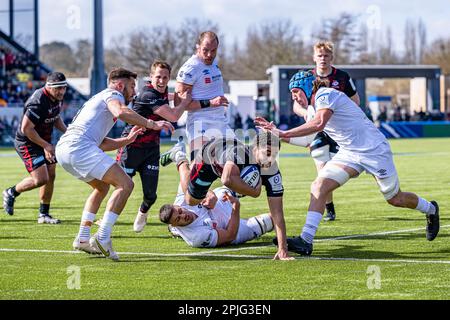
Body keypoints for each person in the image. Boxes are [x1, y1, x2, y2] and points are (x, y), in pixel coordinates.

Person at [255, 71, 440, 256]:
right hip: (349, 153)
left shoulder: (325, 94)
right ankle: (306, 240)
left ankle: (431, 209)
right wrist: (276, 133)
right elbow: (307, 140)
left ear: (307, 86)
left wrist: (284, 133)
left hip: (374, 150)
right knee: (319, 186)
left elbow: (319, 124)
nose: (294, 97)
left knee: (395, 199)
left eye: (296, 91)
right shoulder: (313, 108)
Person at [55, 68, 174, 260]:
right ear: (120, 85)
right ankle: (102, 237)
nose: (134, 92)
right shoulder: (113, 94)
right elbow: (121, 111)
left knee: (101, 188)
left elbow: (101, 143)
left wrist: (127, 140)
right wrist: (152, 124)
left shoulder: (98, 99)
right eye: (132, 86)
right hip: (78, 147)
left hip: (64, 150)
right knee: (126, 184)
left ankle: (83, 238)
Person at [161, 131, 293, 260]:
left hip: (229, 170)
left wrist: (282, 249)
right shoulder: (240, 154)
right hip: (209, 158)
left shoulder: (272, 171)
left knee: (245, 191)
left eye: (275, 155)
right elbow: (227, 179)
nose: (270, 159)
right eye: (268, 153)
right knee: (191, 200)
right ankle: (179, 157)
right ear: (255, 148)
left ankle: (181, 226)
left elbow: (277, 212)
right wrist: (255, 192)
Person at [288, 41, 361, 222]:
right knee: (322, 170)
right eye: (319, 56)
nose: (323, 59)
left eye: (326, 56)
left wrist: (338, 113)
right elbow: (296, 106)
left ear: (332, 57)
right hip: (317, 130)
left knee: (346, 168)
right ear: (314, 57)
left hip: (340, 131)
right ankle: (329, 209)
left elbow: (356, 101)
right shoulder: (306, 78)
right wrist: (307, 114)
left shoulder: (343, 77)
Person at [116, 60, 191, 233]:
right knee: (121, 189)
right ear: (151, 77)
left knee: (151, 195)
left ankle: (142, 213)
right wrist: (185, 102)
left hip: (151, 150)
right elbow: (173, 116)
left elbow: (171, 97)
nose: (162, 80)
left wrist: (192, 97)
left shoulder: (163, 93)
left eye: (165, 77)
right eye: (158, 77)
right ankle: (105, 222)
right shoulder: (148, 94)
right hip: (131, 147)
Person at [3, 72, 68, 223]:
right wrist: (46, 145)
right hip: (27, 142)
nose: (62, 91)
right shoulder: (38, 102)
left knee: (51, 174)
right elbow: (27, 129)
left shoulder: (56, 97)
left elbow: (55, 116)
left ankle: (44, 214)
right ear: (49, 87)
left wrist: (68, 131)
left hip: (43, 140)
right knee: (41, 179)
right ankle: (11, 192)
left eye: (63, 87)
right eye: (58, 88)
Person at [172, 31, 233, 163]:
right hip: (200, 124)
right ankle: (179, 158)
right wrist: (211, 102)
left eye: (213, 50)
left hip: (221, 122)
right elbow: (179, 104)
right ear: (197, 47)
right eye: (205, 50)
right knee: (199, 171)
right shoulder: (190, 68)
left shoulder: (214, 63)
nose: (209, 54)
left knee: (240, 164)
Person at [159, 182, 273, 248]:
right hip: (230, 226)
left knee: (245, 177)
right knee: (270, 221)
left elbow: (188, 176)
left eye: (180, 212)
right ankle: (176, 231)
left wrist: (210, 194)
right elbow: (230, 235)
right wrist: (235, 207)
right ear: (175, 224)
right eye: (178, 219)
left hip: (221, 200)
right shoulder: (197, 237)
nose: (183, 216)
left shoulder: (181, 200)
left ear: (177, 206)